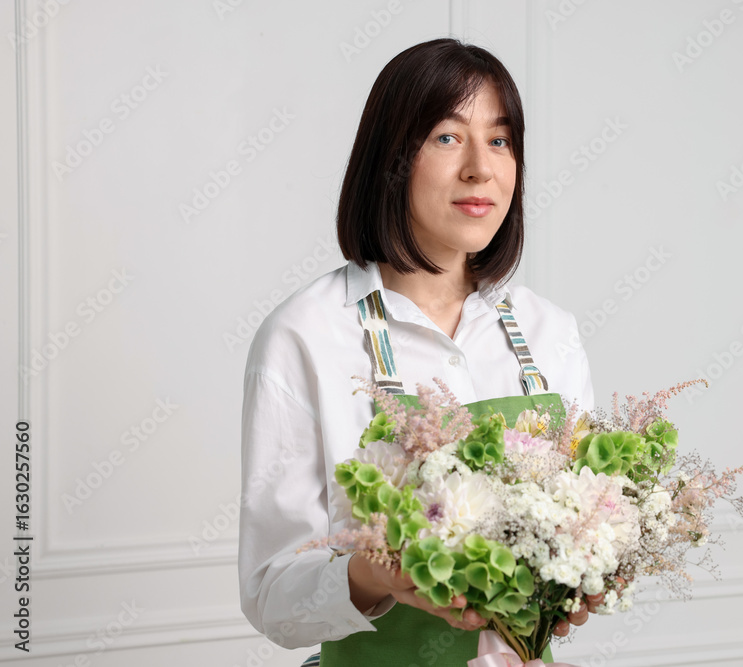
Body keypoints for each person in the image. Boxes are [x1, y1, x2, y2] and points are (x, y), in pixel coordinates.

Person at [238, 37, 600, 664]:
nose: (480, 168)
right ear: (392, 158)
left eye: (500, 140)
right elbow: (271, 595)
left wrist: (585, 569)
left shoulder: (549, 331)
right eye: (447, 137)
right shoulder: (305, 336)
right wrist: (373, 576)